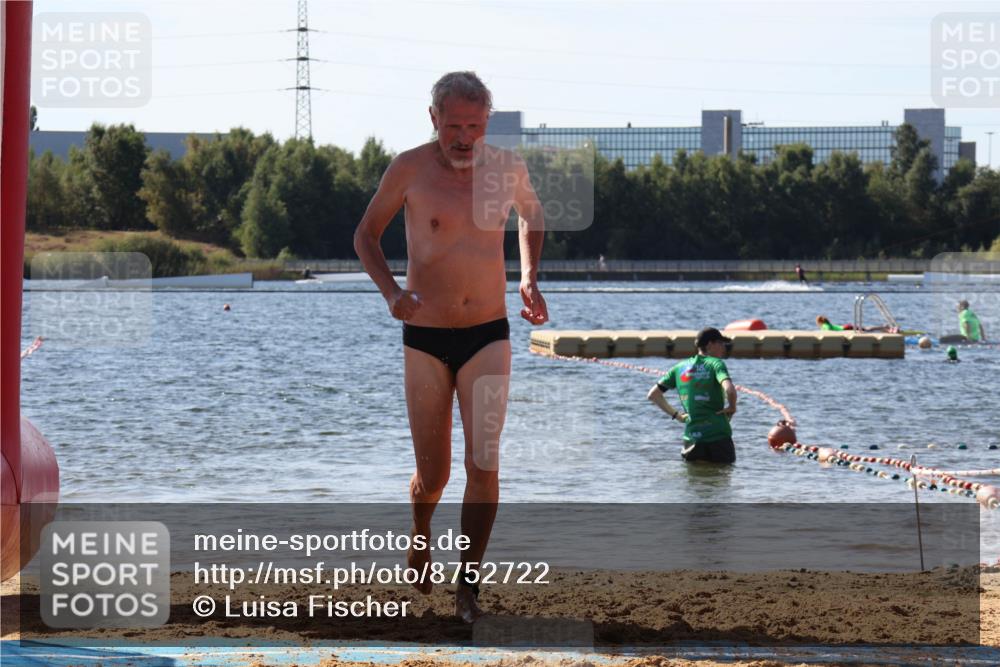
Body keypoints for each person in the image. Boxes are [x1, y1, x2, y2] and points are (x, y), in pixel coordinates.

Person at [353, 72, 548, 623]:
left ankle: (469, 585)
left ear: (487, 121)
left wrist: (529, 277)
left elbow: (533, 216)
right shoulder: (409, 169)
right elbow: (365, 235)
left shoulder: (505, 169)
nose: (464, 137)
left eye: (474, 125)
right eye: (453, 125)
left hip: (489, 330)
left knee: (484, 460)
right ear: (433, 118)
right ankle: (420, 533)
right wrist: (391, 292)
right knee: (433, 474)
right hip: (426, 334)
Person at [647, 327, 738, 464]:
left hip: (692, 440)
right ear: (709, 345)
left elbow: (653, 395)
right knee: (721, 480)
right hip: (718, 437)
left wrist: (676, 415)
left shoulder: (679, 367)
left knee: (694, 482)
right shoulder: (716, 364)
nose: (724, 347)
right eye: (720, 343)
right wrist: (732, 406)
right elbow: (730, 389)